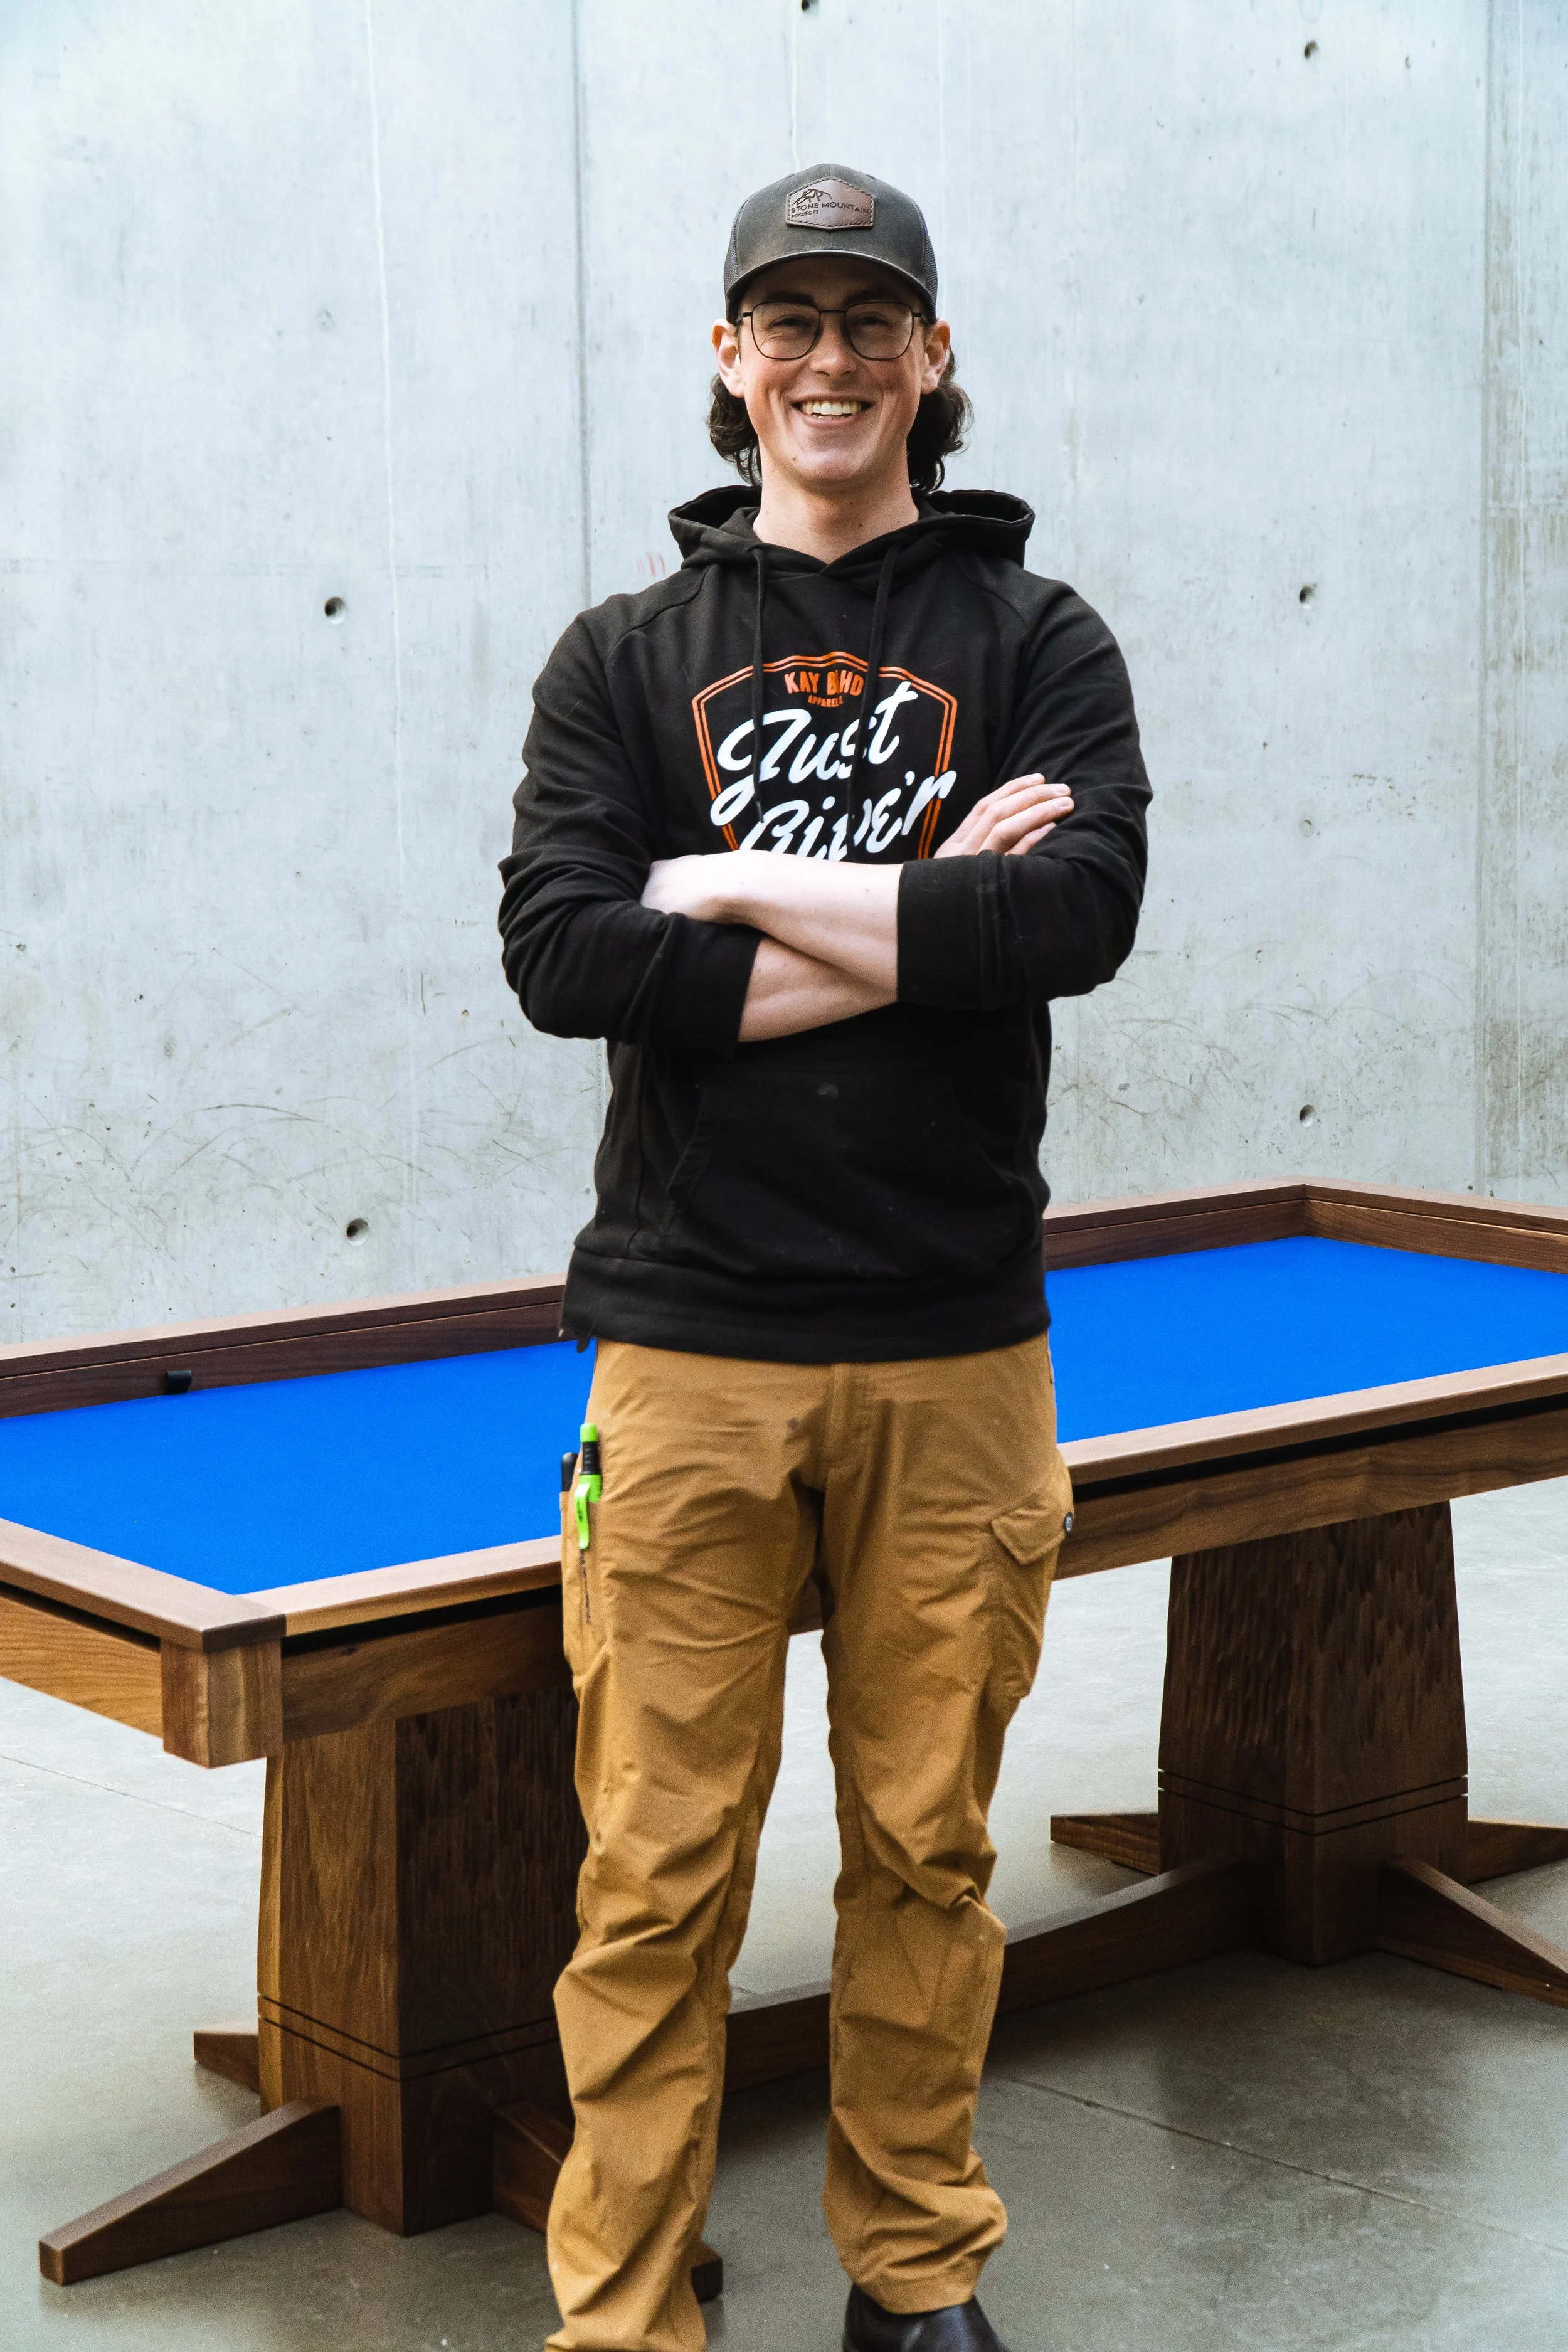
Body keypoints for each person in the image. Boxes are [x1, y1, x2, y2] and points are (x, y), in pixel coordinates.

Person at [499, 162, 1150, 2352]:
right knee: (653, 1871)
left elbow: (1068, 921)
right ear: (727, 362)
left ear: (930, 360)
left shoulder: (1035, 642)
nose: (829, 359)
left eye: (872, 320)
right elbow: (565, 954)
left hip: (957, 1347)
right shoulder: (623, 657)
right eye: (787, 320)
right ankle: (622, 2306)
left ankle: (912, 2272)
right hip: (684, 1346)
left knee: (929, 1851)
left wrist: (723, 889)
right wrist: (912, 909)